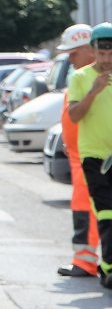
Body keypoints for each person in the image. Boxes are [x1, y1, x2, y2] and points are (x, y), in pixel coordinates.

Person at [65, 23, 112, 288]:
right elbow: (74, 115)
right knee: (106, 212)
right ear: (94, 51)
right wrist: (94, 91)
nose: (106, 60)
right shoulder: (81, 78)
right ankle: (107, 268)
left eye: (111, 55)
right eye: (102, 54)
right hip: (94, 156)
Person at [54, 24, 101, 279]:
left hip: (90, 155)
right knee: (88, 207)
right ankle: (86, 260)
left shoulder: (90, 77)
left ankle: (85, 261)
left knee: (88, 207)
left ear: (88, 50)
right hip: (79, 154)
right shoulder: (83, 76)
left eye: (74, 54)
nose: (70, 60)